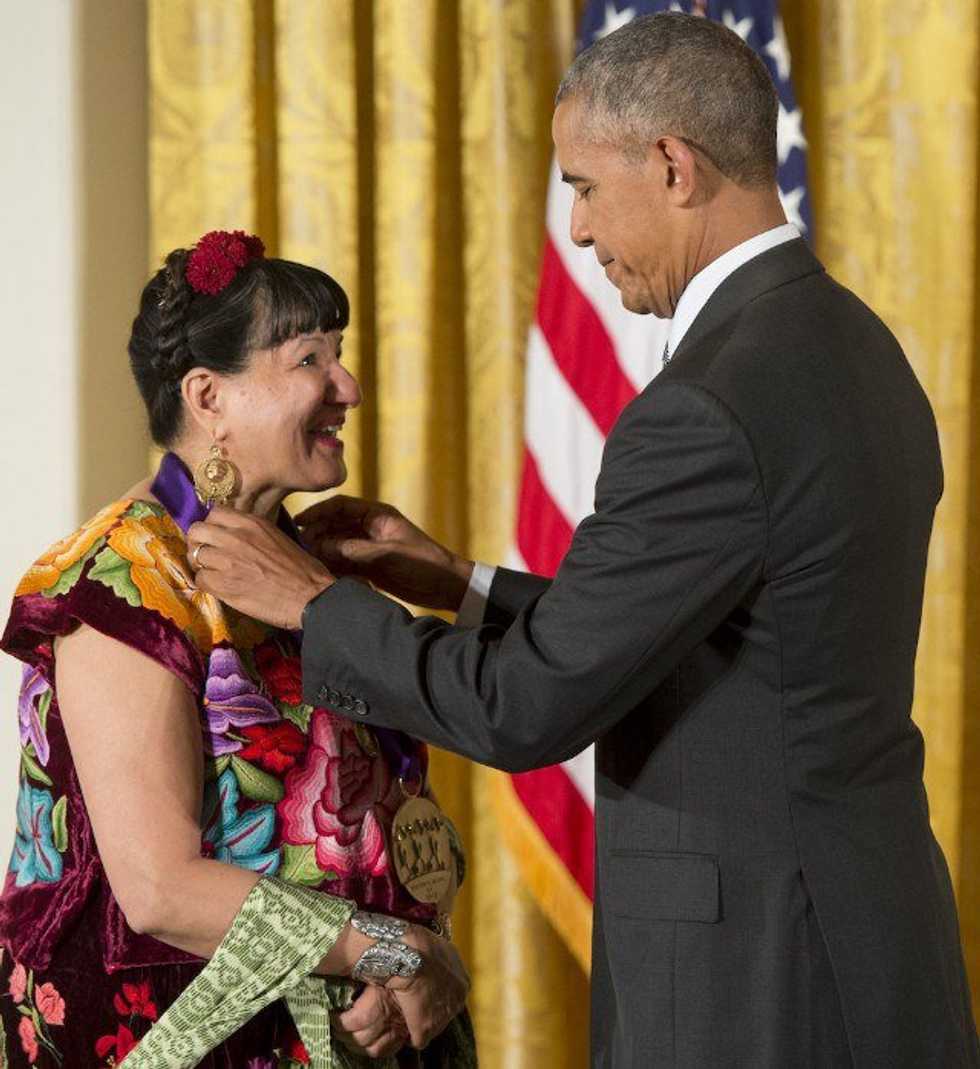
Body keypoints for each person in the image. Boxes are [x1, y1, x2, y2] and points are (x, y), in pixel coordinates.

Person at [186, 13, 980, 1069]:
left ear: (672, 166)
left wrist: (315, 603)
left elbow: (526, 706)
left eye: (585, 187)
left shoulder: (707, 402)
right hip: (870, 941)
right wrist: (460, 581)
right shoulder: (851, 342)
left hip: (758, 982)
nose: (577, 230)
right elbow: (735, 631)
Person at [0, 229, 474, 1067]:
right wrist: (393, 952)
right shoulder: (124, 578)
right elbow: (160, 887)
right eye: (309, 359)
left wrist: (401, 973)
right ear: (208, 396)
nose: (348, 387)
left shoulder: (306, 565)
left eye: (340, 355)